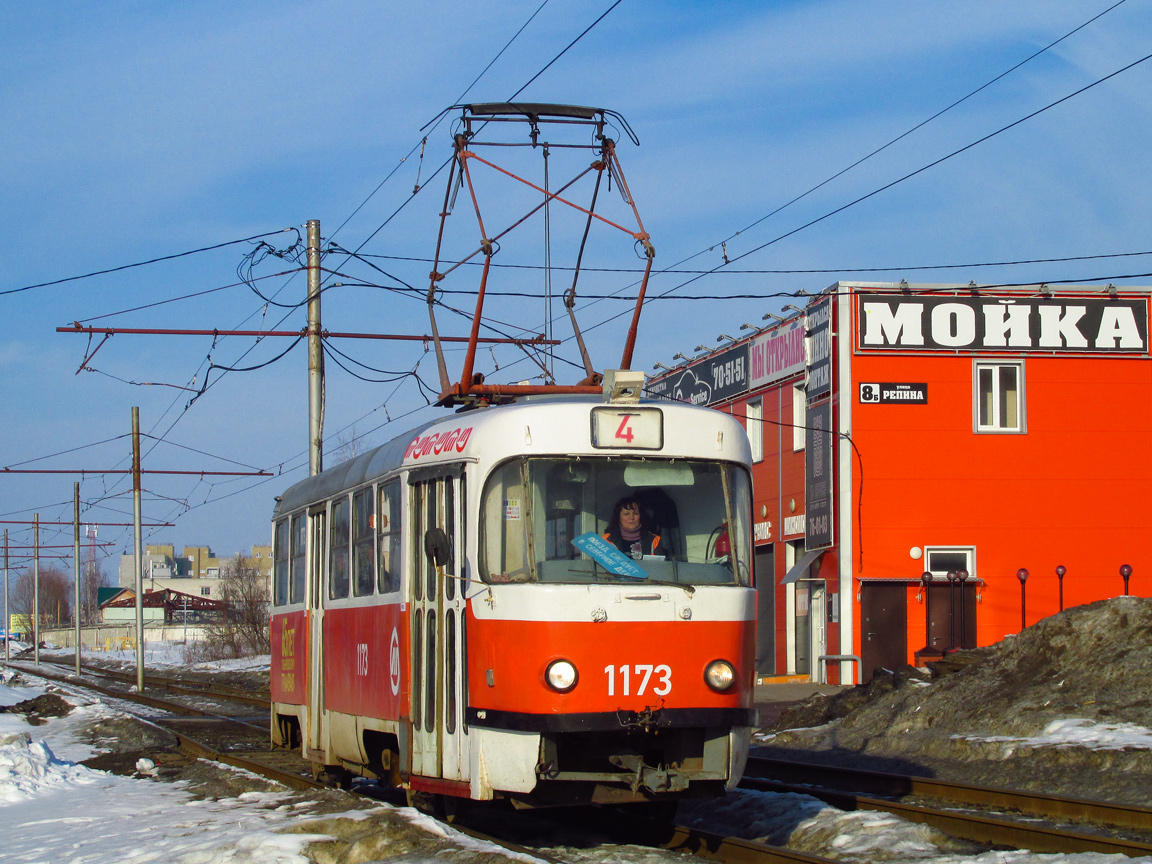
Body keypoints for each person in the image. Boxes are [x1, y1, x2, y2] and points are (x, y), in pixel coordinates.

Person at [603, 496, 670, 560]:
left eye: (635, 513)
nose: (631, 518)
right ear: (618, 517)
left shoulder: (653, 541)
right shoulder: (607, 540)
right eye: (626, 514)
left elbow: (660, 568)